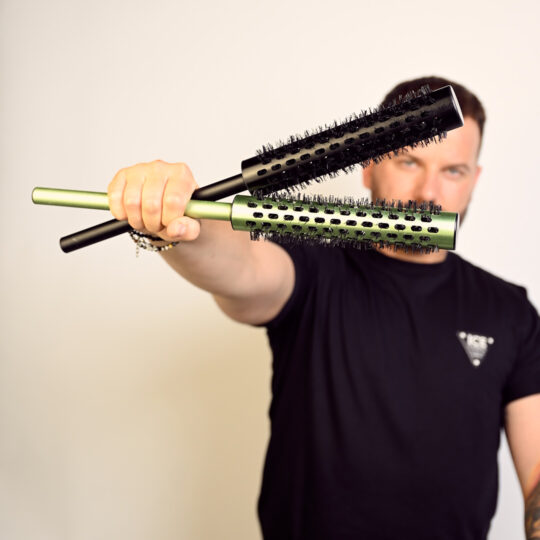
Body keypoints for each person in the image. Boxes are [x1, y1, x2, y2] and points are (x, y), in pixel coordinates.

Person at [107, 76, 540, 540]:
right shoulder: (312, 267)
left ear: (474, 180)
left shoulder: (509, 311)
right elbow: (241, 266)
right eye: (409, 160)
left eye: (453, 171)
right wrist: (175, 219)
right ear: (369, 165)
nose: (428, 193)